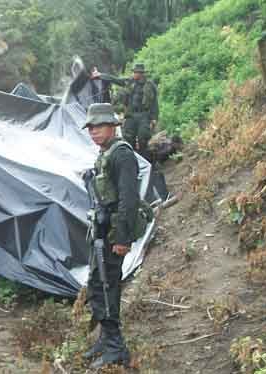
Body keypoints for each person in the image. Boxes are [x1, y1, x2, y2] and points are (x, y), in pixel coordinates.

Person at [80, 103, 139, 369]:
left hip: (115, 232)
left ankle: (117, 348)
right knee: (96, 282)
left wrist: (122, 239)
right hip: (102, 230)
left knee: (107, 285)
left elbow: (129, 200)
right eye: (91, 128)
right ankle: (106, 338)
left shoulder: (122, 155)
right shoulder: (104, 153)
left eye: (99, 127)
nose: (93, 132)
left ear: (112, 126)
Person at [91, 63, 158, 159]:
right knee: (128, 138)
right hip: (131, 114)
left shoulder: (150, 85)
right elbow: (115, 80)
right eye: (134, 72)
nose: (134, 74)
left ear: (141, 73)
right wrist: (100, 75)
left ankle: (146, 160)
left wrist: (154, 118)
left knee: (143, 137)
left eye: (136, 72)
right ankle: (132, 158)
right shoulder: (129, 82)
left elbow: (154, 102)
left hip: (144, 115)